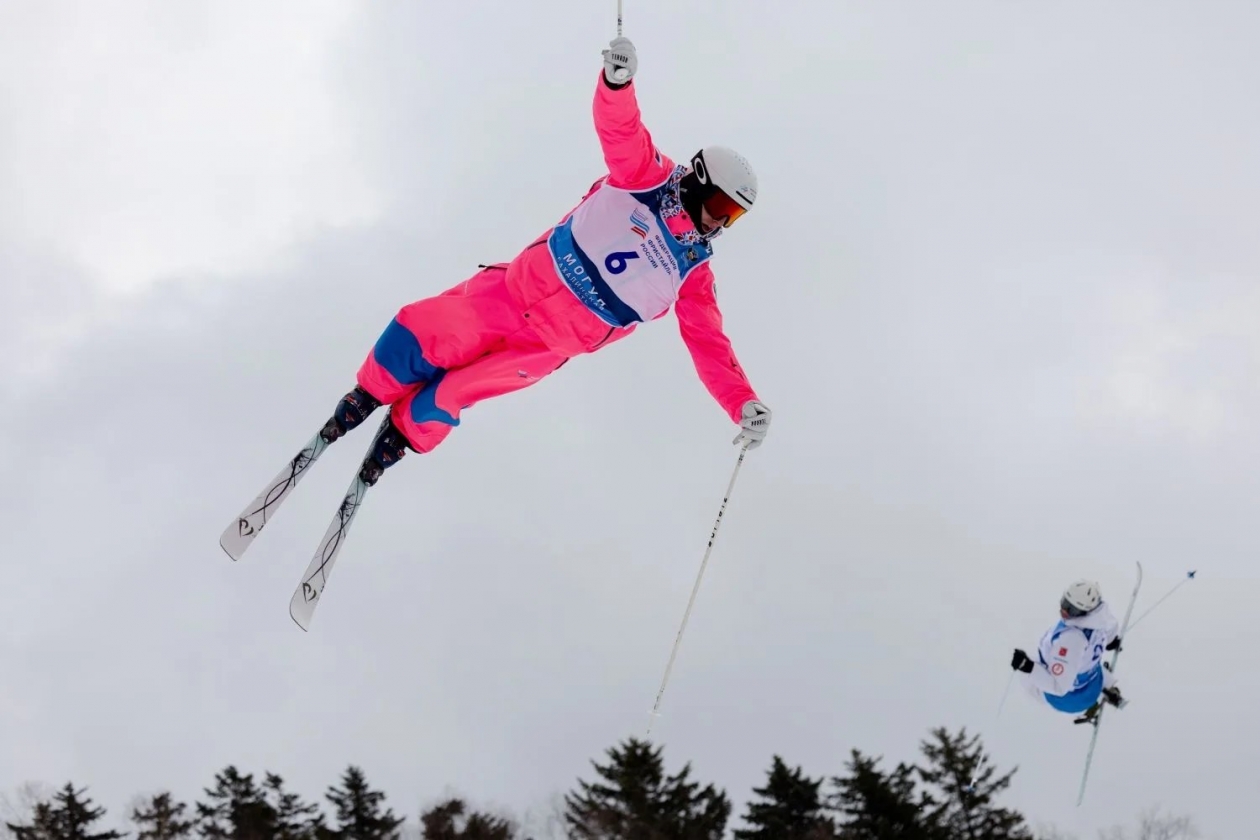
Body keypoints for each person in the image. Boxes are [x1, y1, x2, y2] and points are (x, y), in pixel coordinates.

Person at [317, 35, 772, 485]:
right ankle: (367, 393)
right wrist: (617, 85)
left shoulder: (693, 271)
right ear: (697, 179)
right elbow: (621, 130)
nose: (718, 222)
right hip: (513, 292)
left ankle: (401, 437)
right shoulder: (647, 177)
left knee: (456, 391)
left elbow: (709, 343)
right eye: (719, 204)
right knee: (428, 329)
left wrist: (742, 402)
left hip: (546, 347)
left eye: (732, 216)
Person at [1011, 579, 1128, 723]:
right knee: (1082, 666)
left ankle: (1089, 707)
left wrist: (1027, 667)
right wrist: (1111, 642)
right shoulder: (1101, 616)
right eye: (1064, 603)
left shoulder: (1071, 640)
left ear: (1085, 611)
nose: (1064, 611)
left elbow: (1059, 687)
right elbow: (1110, 629)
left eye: (1072, 610)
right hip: (1093, 682)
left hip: (1071, 701)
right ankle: (1107, 685)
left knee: (1028, 681)